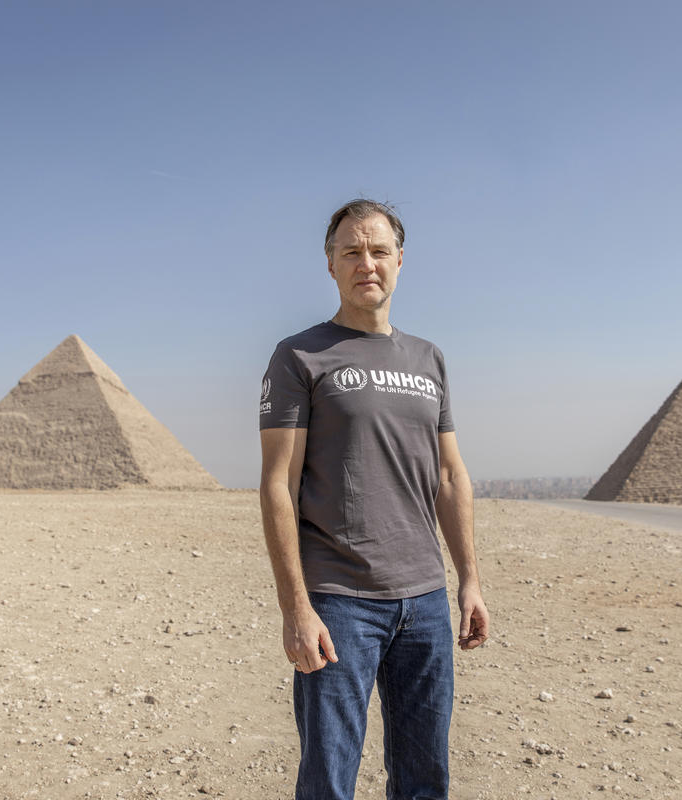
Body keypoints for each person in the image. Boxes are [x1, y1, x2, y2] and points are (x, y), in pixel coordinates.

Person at [258, 198, 490, 799]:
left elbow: (450, 476)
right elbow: (278, 484)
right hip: (339, 601)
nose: (367, 263)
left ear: (400, 261)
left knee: (424, 780)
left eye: (379, 251)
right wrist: (295, 608)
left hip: (425, 602)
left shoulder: (429, 358)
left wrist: (468, 579)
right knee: (329, 780)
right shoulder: (299, 355)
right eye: (351, 252)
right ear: (330, 264)